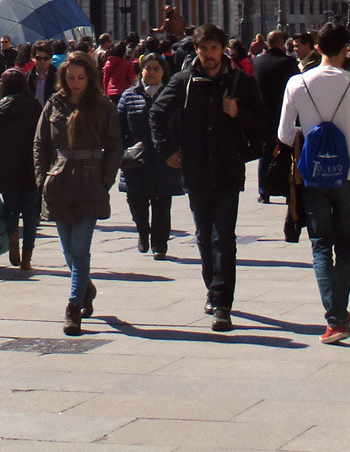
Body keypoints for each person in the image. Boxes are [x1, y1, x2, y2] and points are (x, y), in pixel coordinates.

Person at [149, 24, 269, 333]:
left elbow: (263, 123)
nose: (209, 55)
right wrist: (167, 151)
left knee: (224, 238)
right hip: (196, 170)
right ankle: (212, 289)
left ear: (223, 49)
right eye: (203, 49)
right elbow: (157, 113)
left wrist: (238, 113)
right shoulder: (184, 81)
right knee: (204, 237)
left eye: (214, 49)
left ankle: (222, 304)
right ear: (197, 51)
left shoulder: (241, 83)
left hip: (228, 170)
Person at [278, 24, 350, 344]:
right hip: (348, 175)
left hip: (313, 176)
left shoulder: (297, 83)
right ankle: (339, 312)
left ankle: (335, 319)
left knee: (321, 245)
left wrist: (304, 135)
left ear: (318, 48)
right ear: (346, 50)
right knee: (346, 247)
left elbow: (283, 134)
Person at [34, 50, 121, 335]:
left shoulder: (102, 105)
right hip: (59, 182)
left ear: (90, 77)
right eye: (70, 77)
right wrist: (40, 178)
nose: (75, 83)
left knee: (80, 249)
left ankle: (73, 307)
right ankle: (86, 286)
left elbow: (115, 146)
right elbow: (41, 144)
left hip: (90, 181)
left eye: (80, 77)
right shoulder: (54, 104)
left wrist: (105, 180)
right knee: (68, 251)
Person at [117, 53, 184, 258]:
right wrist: (121, 149)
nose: (152, 72)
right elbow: (119, 125)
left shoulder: (172, 94)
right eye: (148, 68)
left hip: (164, 156)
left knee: (162, 202)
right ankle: (143, 232)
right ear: (141, 71)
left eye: (156, 68)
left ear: (163, 71)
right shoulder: (129, 95)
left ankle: (159, 243)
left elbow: (181, 123)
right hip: (136, 157)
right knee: (136, 200)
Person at [0, 68, 41, 270]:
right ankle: (28, 255)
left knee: (11, 208)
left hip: (6, 169)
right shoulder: (34, 107)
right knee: (31, 213)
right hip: (30, 168)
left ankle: (13, 238)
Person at [251, 30, 299, 204]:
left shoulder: (256, 62)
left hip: (263, 115)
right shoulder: (289, 63)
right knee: (286, 152)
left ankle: (264, 191)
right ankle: (286, 190)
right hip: (284, 113)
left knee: (265, 154)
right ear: (281, 44)